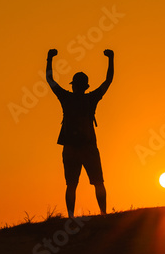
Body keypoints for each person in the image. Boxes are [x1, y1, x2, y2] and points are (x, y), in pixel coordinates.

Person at [46, 48, 114, 218]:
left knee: (75, 184)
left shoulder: (68, 98)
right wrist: (111, 59)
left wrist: (49, 59)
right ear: (85, 86)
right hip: (84, 147)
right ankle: (102, 214)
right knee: (93, 183)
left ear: (75, 85)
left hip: (75, 148)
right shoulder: (90, 98)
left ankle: (75, 216)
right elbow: (108, 81)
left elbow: (50, 79)